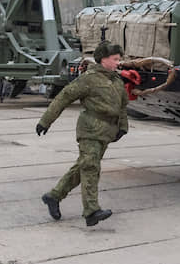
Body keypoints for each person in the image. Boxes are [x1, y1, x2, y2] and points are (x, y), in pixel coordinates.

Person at [36, 40, 129, 226]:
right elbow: (64, 97)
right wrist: (45, 121)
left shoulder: (116, 80)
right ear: (103, 59)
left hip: (106, 132)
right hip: (90, 129)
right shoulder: (88, 79)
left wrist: (123, 127)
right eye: (115, 59)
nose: (118, 62)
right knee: (91, 168)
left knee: (83, 168)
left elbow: (123, 105)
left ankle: (53, 196)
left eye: (119, 59)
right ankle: (91, 211)